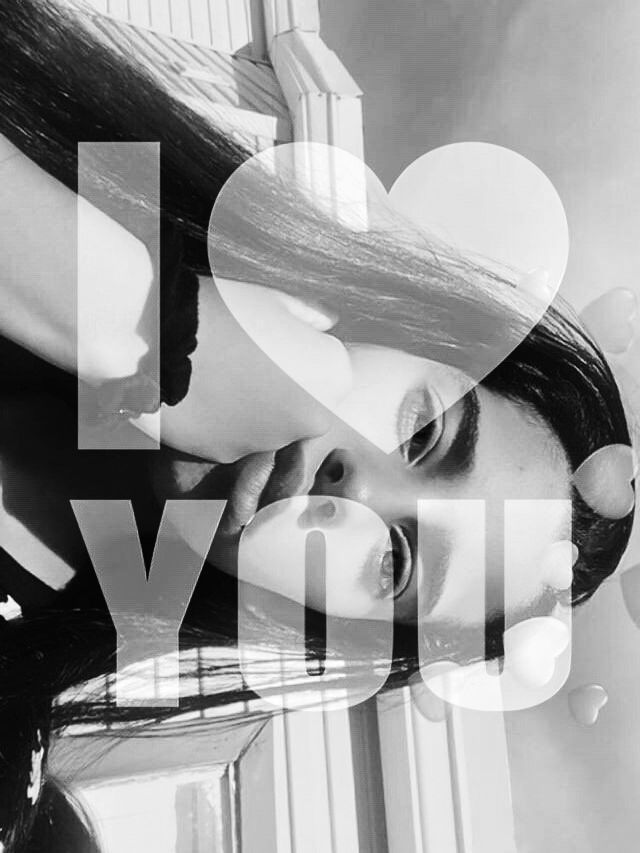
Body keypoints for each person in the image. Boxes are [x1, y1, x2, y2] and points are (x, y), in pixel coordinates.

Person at [0, 0, 634, 849]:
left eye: (396, 561)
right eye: (425, 435)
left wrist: (143, 339)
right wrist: (147, 318)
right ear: (387, 318)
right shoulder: (69, 130)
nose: (356, 488)